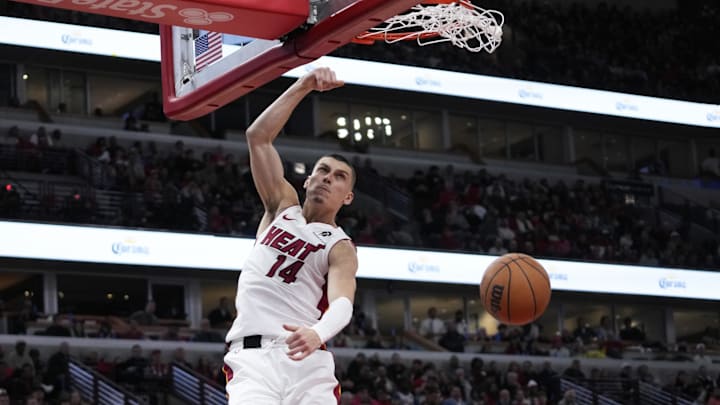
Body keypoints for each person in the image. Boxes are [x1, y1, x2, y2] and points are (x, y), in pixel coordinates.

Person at [223, 67, 358, 405]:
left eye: (339, 177)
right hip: (252, 360)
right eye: (322, 171)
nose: (328, 178)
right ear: (306, 181)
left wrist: (318, 333)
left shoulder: (339, 245)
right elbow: (258, 137)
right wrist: (303, 85)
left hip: (306, 357)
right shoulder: (280, 208)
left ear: (348, 197)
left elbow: (343, 302)